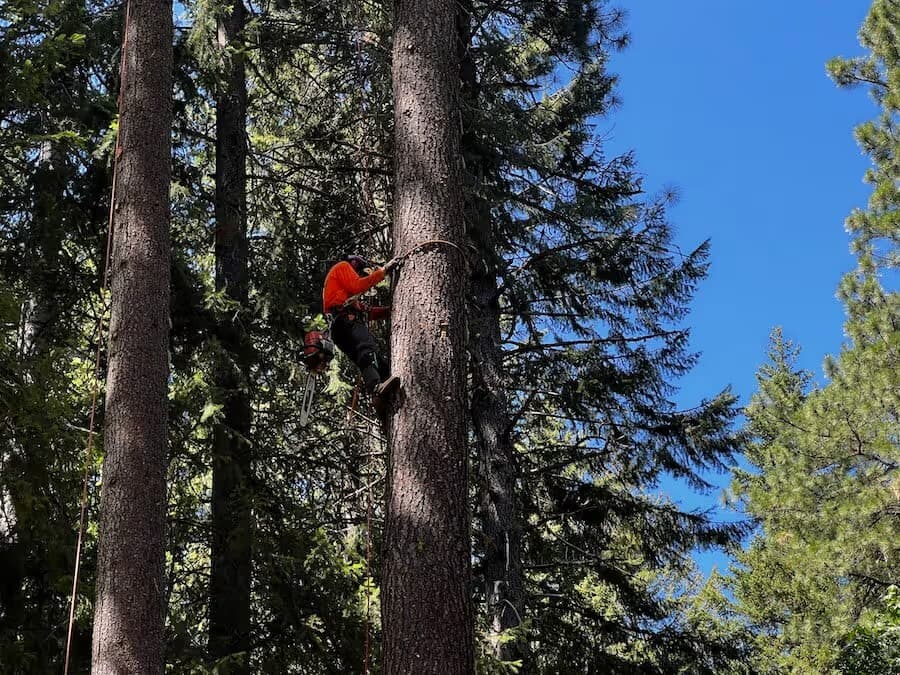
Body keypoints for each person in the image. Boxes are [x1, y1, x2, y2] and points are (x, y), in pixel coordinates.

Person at [322, 254, 400, 404]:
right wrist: (383, 271)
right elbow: (358, 285)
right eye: (358, 271)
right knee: (367, 349)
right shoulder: (342, 267)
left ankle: (382, 398)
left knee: (372, 359)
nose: (358, 274)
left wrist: (389, 311)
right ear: (353, 264)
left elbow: (365, 311)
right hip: (346, 321)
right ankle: (375, 387)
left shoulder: (342, 295)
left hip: (340, 328)